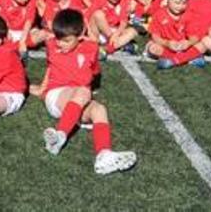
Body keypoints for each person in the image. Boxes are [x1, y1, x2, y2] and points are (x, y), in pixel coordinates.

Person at [37, 9, 138, 175]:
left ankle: (103, 155)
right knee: (84, 91)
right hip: (56, 95)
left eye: (67, 40)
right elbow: (51, 68)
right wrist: (42, 87)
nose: (60, 43)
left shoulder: (92, 48)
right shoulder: (51, 45)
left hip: (77, 99)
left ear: (81, 34)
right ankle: (60, 135)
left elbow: (94, 71)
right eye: (59, 39)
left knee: (99, 109)